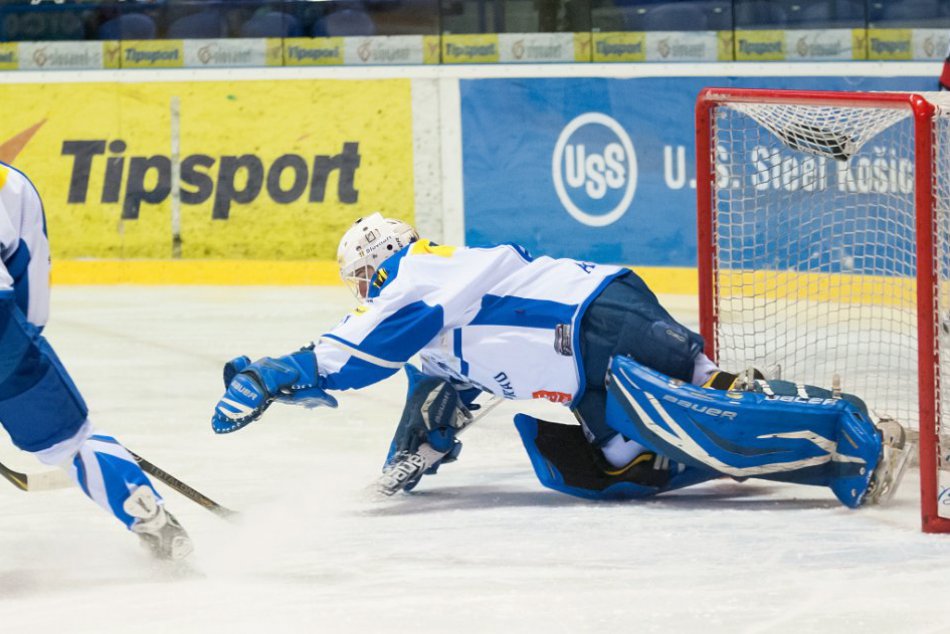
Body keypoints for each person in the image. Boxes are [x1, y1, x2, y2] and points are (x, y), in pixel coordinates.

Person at [211, 213, 908, 508]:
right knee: (622, 461)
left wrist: (281, 372)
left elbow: (360, 347)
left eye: (361, 283)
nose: (362, 295)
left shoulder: (419, 274)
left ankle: (854, 439)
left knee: (689, 415)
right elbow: (435, 392)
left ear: (374, 266)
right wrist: (409, 460)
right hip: (592, 350)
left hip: (595, 326)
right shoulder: (433, 308)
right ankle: (824, 424)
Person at [0, 161, 192, 561]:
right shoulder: (11, 182)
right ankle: (151, 520)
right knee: (70, 439)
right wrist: (19, 355)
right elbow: (30, 293)